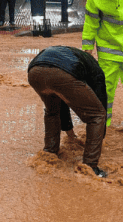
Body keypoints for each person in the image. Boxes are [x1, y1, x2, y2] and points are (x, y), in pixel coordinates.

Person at [27, 46, 109, 178]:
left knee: (52, 111)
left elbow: (63, 101)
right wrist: (101, 136)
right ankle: (90, 167)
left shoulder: (73, 56)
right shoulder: (96, 71)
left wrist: (71, 135)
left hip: (34, 72)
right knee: (97, 115)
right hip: (61, 73)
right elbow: (101, 102)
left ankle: (49, 153)